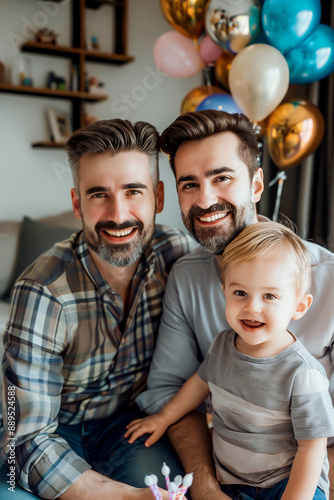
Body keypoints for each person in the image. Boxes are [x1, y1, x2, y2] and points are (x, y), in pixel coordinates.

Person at [136, 110, 334, 500]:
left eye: (222, 177)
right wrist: (207, 490)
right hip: (229, 470)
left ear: (257, 183)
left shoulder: (330, 279)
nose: (205, 200)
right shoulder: (186, 277)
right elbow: (174, 389)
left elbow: (320, 438)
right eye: (189, 184)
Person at [0, 119, 196, 500]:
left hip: (129, 424)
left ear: (158, 197)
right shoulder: (42, 290)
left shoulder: (180, 258)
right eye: (98, 194)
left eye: (133, 191)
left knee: (169, 493)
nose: (118, 214)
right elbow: (22, 440)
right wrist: (123, 496)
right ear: (77, 203)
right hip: (50, 427)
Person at [128, 221, 334, 499]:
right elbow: (199, 383)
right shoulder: (223, 345)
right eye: (240, 293)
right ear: (223, 290)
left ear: (299, 306)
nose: (252, 306)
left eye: (270, 296)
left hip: (288, 481)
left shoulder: (303, 374)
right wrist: (163, 417)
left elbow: (312, 448)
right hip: (232, 479)